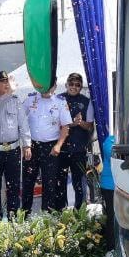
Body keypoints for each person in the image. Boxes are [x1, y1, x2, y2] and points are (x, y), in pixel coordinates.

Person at [0, 69, 30, 221]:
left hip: (13, 150)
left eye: (7, 82)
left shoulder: (15, 100)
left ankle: (13, 219)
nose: (6, 84)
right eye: (3, 82)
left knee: (13, 186)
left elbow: (23, 124)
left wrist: (27, 145)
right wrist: (9, 92)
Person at [22, 80, 71, 212]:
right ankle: (24, 214)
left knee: (50, 182)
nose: (49, 88)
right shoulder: (30, 99)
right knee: (28, 181)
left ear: (55, 86)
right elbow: (21, 120)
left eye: (52, 85)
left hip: (51, 147)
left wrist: (58, 145)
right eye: (46, 84)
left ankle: (47, 215)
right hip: (31, 146)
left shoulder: (60, 102)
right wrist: (25, 144)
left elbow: (65, 127)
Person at [56, 73, 95, 209]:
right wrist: (70, 123)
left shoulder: (86, 101)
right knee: (59, 182)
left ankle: (80, 212)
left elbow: (89, 126)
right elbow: (53, 123)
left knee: (79, 183)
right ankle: (60, 211)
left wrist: (79, 123)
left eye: (77, 85)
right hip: (61, 149)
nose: (74, 87)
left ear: (81, 86)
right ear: (66, 84)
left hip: (78, 149)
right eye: (71, 84)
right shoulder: (58, 99)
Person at [99, 133, 117, 257]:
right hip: (110, 185)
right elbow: (114, 155)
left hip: (124, 184)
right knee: (112, 217)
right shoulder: (109, 141)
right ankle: (111, 249)